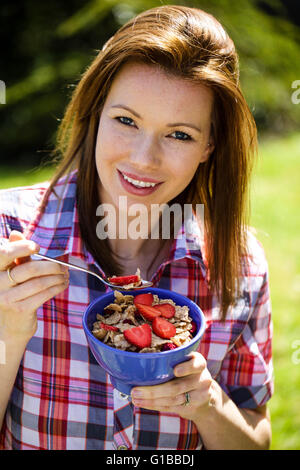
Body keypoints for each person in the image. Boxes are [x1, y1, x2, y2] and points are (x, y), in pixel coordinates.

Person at [0, 5, 273, 450]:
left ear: (210, 145)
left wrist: (207, 405)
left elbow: (257, 438)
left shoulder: (241, 265)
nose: (144, 159)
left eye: (180, 134)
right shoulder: (7, 234)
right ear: (95, 113)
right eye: (126, 121)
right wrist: (8, 332)